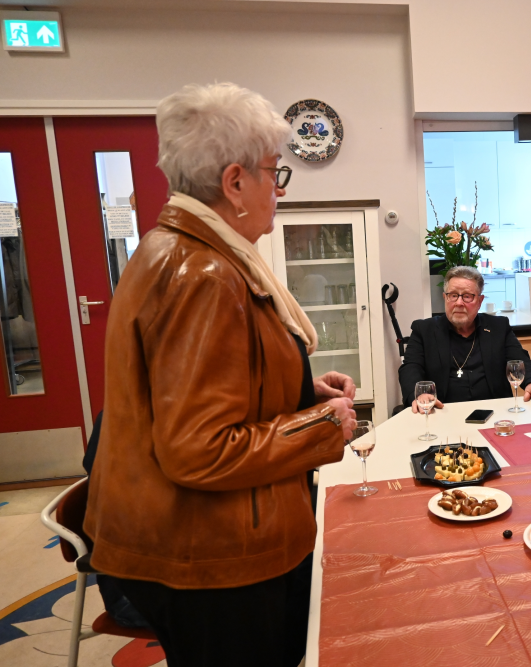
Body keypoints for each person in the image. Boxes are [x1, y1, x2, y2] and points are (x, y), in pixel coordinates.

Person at [83, 83, 358, 667]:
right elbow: (199, 449)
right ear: (235, 183)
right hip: (213, 559)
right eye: (274, 172)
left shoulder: (173, 248)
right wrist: (321, 427)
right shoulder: (204, 275)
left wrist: (299, 390)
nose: (279, 189)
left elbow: (195, 391)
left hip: (203, 546)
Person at [399, 266, 531, 411]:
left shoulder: (498, 327)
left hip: (495, 413)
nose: (459, 303)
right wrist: (418, 395)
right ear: (445, 298)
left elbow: (520, 360)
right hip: (443, 412)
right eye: (453, 295)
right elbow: (411, 367)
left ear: (480, 301)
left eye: (467, 296)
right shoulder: (424, 330)